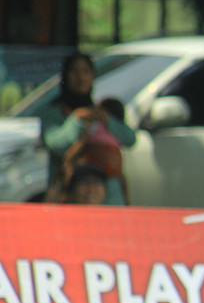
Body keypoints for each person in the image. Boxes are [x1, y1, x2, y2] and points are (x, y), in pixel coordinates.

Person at [40, 53, 135, 205]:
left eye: (86, 71)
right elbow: (56, 145)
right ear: (65, 76)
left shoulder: (102, 111)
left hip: (108, 200)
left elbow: (130, 139)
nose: (81, 78)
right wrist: (77, 119)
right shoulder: (53, 113)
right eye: (75, 71)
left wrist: (107, 120)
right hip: (71, 199)